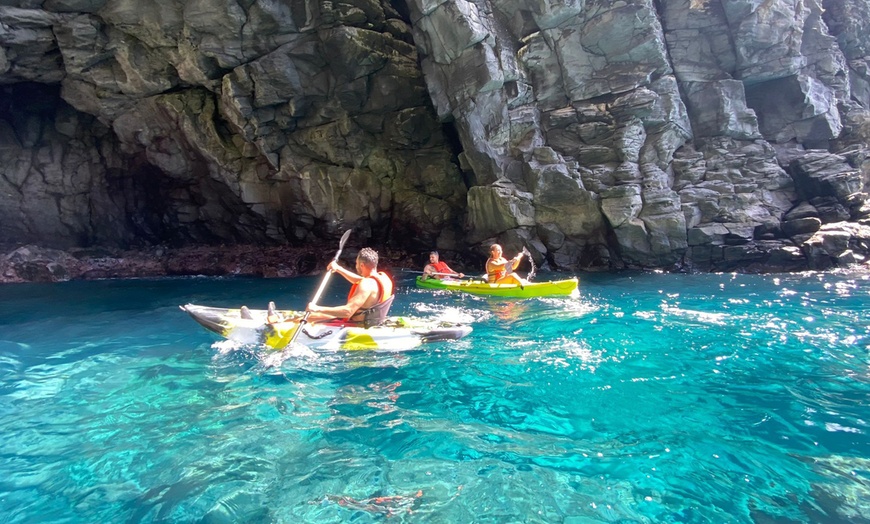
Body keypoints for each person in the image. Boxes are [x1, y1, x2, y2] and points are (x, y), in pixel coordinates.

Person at [305, 247, 394, 326]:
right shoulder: (383, 278)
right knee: (312, 316)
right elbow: (360, 281)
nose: (356, 266)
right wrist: (339, 269)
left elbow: (347, 312)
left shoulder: (366, 284)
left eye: (356, 263)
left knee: (302, 319)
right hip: (373, 322)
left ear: (361, 265)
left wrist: (317, 308)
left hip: (357, 325)